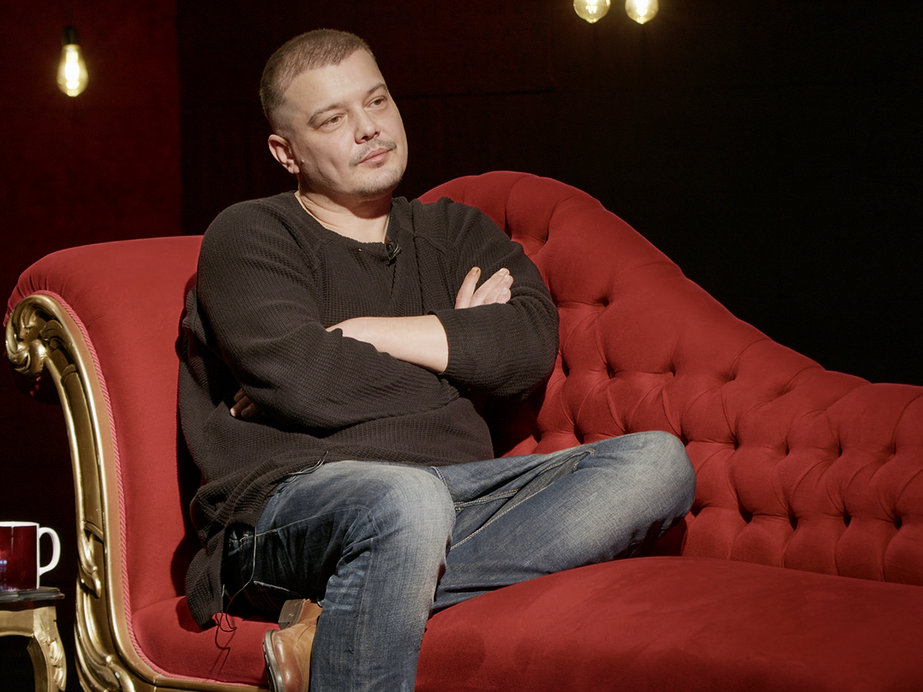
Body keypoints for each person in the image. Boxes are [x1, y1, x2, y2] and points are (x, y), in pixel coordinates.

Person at [177, 28, 695, 692]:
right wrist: (458, 352)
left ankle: (346, 608)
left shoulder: (455, 232)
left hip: (460, 495)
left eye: (377, 101)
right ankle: (375, 577)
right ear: (287, 152)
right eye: (333, 119)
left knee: (657, 464)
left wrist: (363, 333)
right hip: (289, 514)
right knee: (406, 500)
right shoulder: (249, 234)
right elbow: (307, 380)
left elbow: (528, 347)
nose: (369, 128)